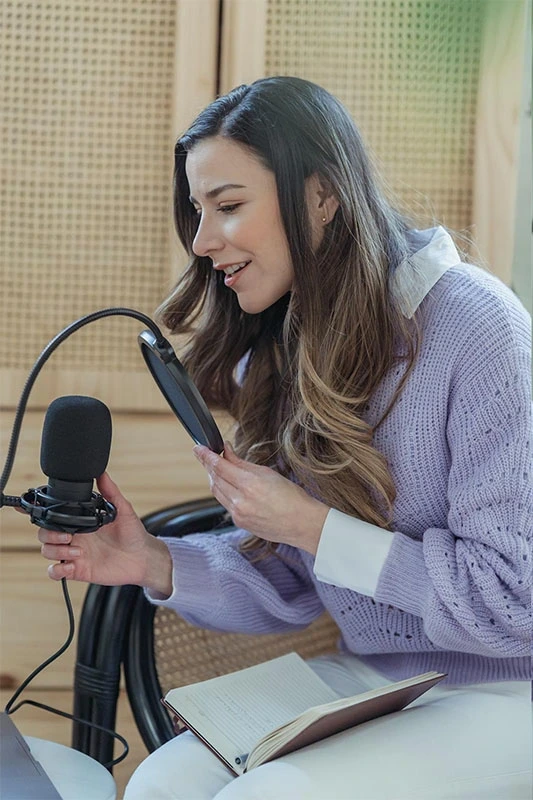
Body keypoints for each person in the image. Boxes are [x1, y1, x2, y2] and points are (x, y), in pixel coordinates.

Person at [38, 77, 531, 799]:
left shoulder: (477, 328)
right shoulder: (289, 341)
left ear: (320, 196)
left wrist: (312, 524)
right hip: (378, 682)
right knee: (157, 787)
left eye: (228, 206)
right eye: (198, 210)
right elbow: (297, 577)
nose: (203, 241)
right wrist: (151, 561)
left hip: (502, 691)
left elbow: (512, 602)